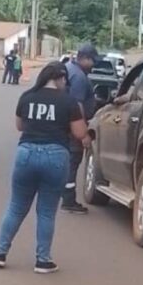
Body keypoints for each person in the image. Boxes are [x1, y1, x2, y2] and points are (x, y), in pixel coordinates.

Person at [0, 61, 88, 273]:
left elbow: (19, 125)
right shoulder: (69, 102)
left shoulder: (27, 96)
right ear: (60, 78)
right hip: (55, 155)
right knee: (46, 211)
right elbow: (80, 133)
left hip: (26, 153)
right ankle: (43, 260)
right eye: (65, 80)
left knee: (16, 207)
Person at [61, 45, 99, 214]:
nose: (94, 64)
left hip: (64, 125)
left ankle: (64, 196)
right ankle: (68, 200)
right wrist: (82, 132)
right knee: (73, 162)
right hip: (73, 127)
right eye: (92, 60)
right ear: (84, 58)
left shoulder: (69, 69)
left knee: (67, 161)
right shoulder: (78, 77)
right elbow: (77, 105)